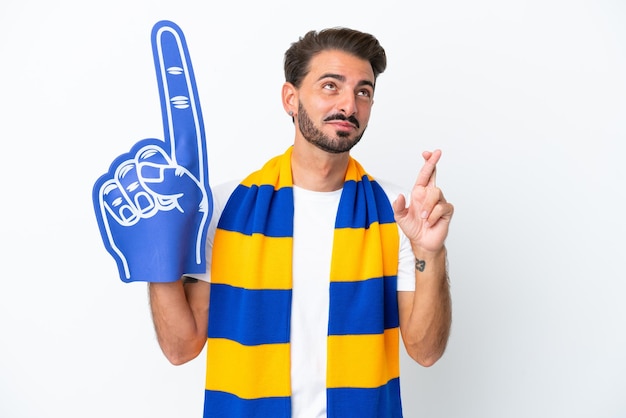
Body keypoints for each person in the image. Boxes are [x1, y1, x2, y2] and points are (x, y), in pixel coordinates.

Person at [148, 27, 453, 418]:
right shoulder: (225, 208)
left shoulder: (396, 211)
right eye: (331, 86)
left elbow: (425, 351)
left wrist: (432, 251)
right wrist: (156, 255)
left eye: (363, 91)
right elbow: (180, 348)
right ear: (290, 98)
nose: (349, 104)